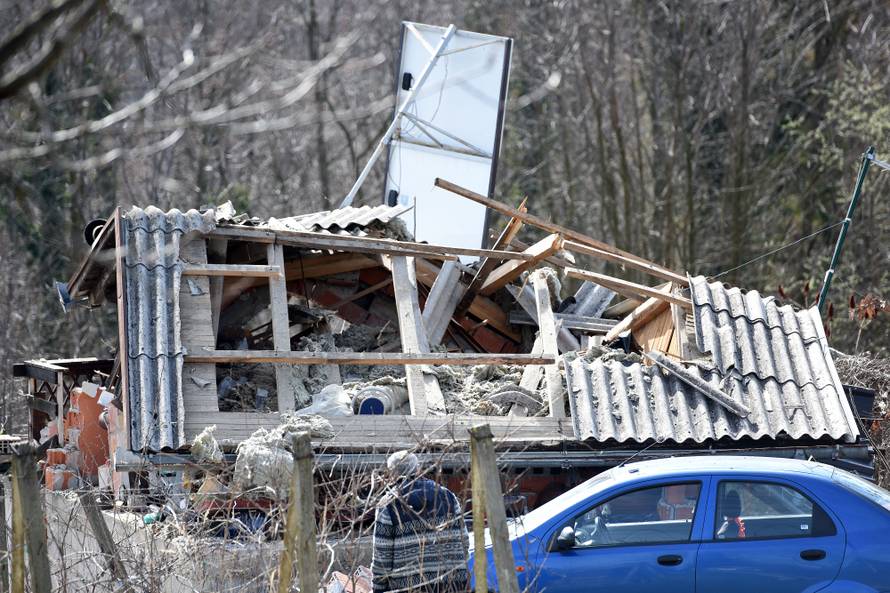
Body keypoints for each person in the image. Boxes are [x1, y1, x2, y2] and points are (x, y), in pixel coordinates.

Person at [371, 451, 469, 593]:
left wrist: (378, 589)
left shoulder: (388, 504)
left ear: (391, 474)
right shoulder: (448, 496)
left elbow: (382, 558)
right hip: (453, 585)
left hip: (410, 587)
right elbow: (464, 542)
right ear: (418, 469)